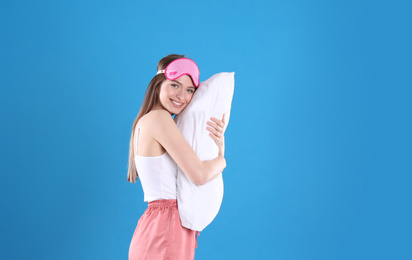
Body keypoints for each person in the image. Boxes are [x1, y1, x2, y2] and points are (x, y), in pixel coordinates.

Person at [127, 54, 226, 260]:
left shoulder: (149, 120)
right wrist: (222, 158)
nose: (182, 95)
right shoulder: (159, 118)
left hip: (161, 228)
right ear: (157, 85)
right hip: (165, 228)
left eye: (190, 90)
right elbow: (199, 175)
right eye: (175, 85)